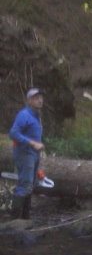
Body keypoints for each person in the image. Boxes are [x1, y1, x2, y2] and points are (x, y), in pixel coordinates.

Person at [8, 88, 46, 219]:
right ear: (29, 100)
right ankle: (15, 221)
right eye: (36, 98)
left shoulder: (37, 116)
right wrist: (32, 143)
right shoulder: (24, 114)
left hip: (34, 154)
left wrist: (39, 145)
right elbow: (13, 133)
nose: (40, 100)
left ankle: (25, 219)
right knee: (25, 185)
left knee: (31, 184)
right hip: (24, 153)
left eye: (41, 97)